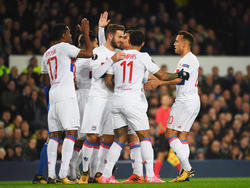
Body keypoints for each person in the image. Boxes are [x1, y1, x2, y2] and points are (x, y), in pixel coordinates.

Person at [102, 30, 188, 183]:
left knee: (119, 139)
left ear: (129, 41)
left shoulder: (117, 56)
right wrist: (179, 74)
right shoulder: (143, 56)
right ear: (142, 44)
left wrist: (122, 88)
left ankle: (106, 176)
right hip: (133, 102)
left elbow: (108, 80)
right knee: (145, 137)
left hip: (116, 101)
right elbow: (161, 76)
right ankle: (149, 175)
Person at [40, 18, 93, 184]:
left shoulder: (47, 53)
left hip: (53, 96)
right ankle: (63, 174)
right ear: (63, 34)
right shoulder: (65, 47)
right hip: (66, 95)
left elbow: (44, 80)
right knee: (71, 132)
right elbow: (89, 53)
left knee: (55, 135)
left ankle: (51, 175)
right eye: (69, 32)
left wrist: (61, 76)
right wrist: (85, 33)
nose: (71, 35)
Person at [78, 23, 125, 184]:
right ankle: (84, 172)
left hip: (113, 99)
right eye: (120, 36)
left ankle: (99, 174)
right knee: (92, 136)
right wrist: (112, 59)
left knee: (108, 138)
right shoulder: (97, 52)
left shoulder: (121, 53)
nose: (122, 40)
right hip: (97, 98)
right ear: (111, 36)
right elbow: (97, 74)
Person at [165, 31, 200, 182]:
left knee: (170, 134)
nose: (174, 44)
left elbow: (180, 78)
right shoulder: (188, 59)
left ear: (184, 44)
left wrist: (159, 81)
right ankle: (183, 173)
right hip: (191, 100)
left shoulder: (188, 59)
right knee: (182, 136)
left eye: (177, 41)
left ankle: (186, 168)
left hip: (185, 101)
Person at [154, 95, 176, 178]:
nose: (166, 101)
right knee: (161, 154)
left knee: (175, 154)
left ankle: (181, 173)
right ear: (161, 101)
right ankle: (155, 174)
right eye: (164, 99)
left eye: (167, 99)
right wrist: (168, 133)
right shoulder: (159, 111)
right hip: (164, 135)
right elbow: (160, 125)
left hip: (170, 134)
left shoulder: (171, 110)